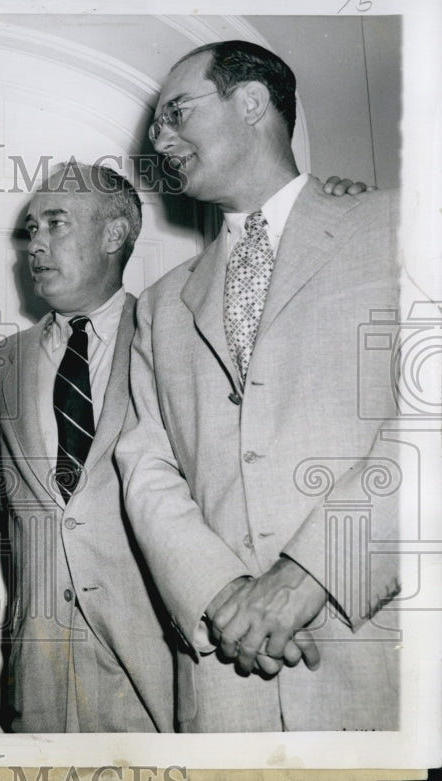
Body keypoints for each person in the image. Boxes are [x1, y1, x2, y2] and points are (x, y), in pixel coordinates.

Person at [115, 40, 401, 731]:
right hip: (227, 680)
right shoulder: (159, 303)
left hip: (386, 658)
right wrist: (222, 595)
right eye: (154, 124)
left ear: (251, 103)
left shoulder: (403, 225)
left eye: (175, 112)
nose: (158, 139)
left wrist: (312, 575)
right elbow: (146, 466)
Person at [0, 161, 173, 732]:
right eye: (31, 230)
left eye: (55, 224)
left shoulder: (173, 336)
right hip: (40, 675)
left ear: (114, 235)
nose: (35, 246)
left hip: (157, 668)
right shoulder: (0, 365)